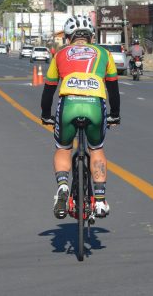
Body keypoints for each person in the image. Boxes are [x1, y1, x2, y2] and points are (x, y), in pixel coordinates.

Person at [40, 14, 120, 219]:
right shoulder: (104, 53)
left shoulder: (60, 54)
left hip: (69, 104)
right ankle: (100, 201)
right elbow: (113, 90)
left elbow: (49, 90)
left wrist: (46, 115)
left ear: (68, 38)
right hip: (95, 104)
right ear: (91, 37)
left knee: (64, 148)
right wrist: (115, 115)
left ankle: (63, 187)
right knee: (97, 149)